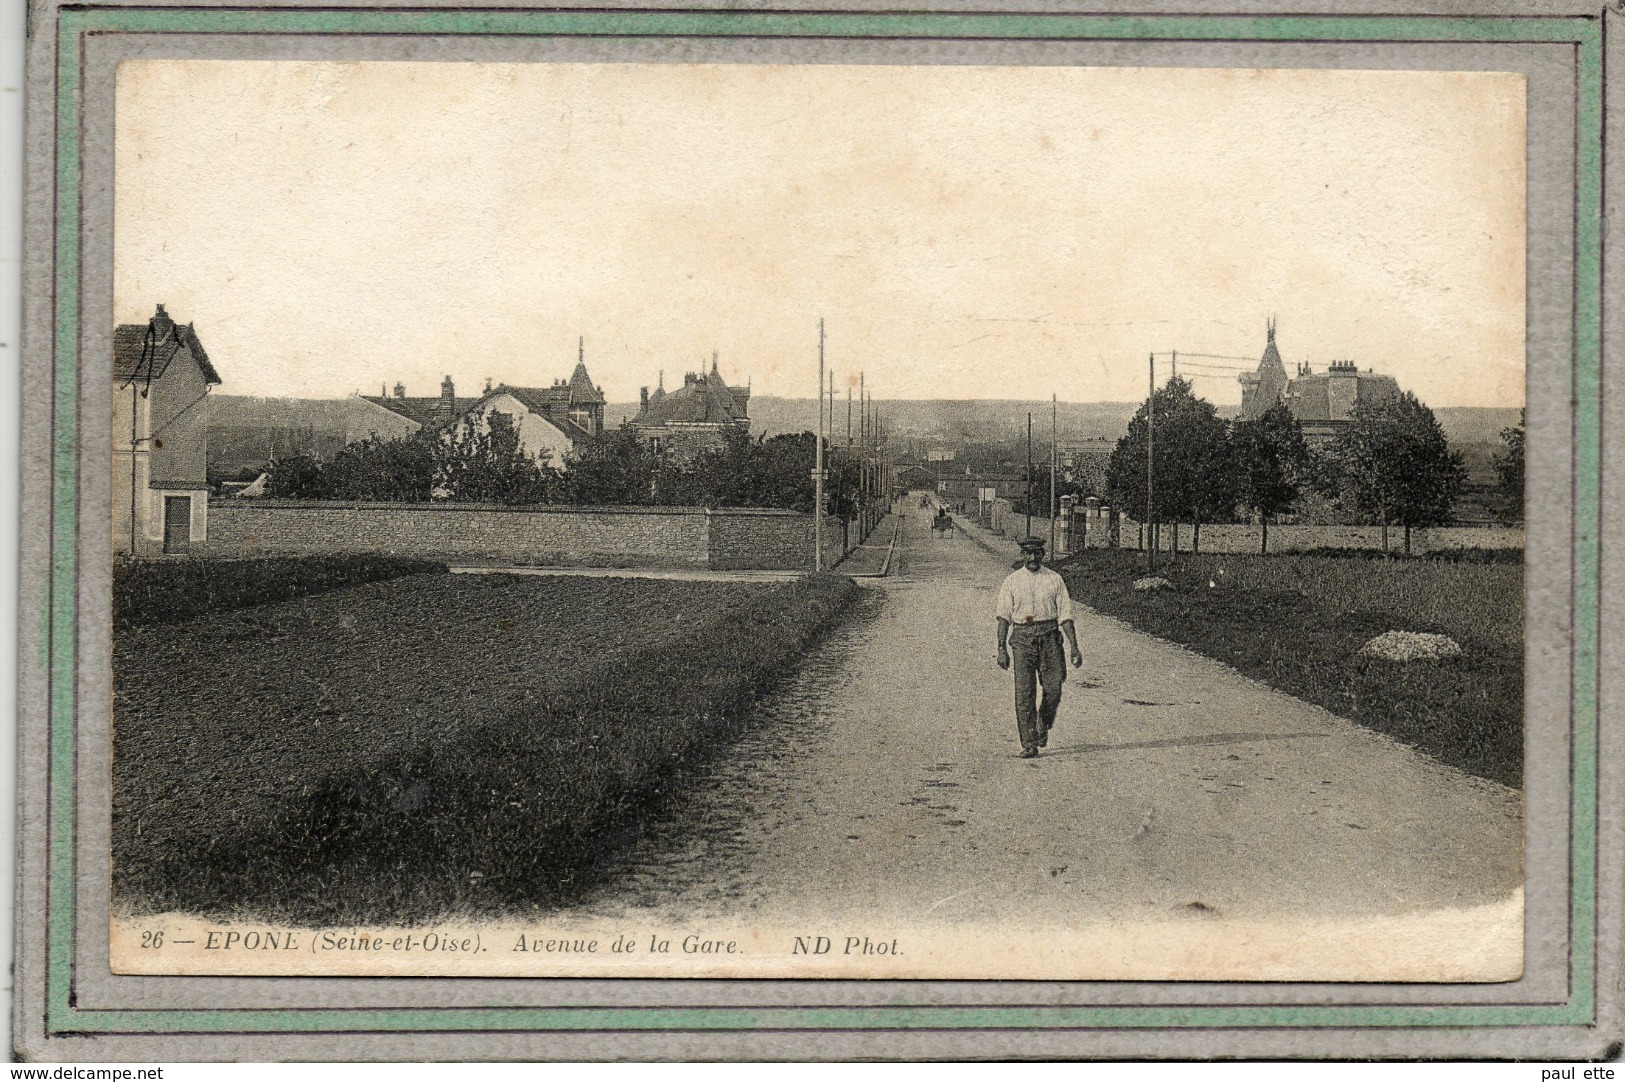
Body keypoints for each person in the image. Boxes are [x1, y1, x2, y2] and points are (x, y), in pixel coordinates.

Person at [995, 537, 1083, 758]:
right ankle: (1029, 742)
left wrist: (1074, 646)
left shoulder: (1054, 579)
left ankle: (1043, 722)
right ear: (1022, 555)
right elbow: (1003, 617)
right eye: (1028, 553)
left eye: (1037, 553)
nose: (1032, 558)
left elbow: (1065, 615)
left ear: (1043, 554)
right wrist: (1001, 649)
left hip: (1050, 638)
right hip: (1022, 639)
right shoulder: (1012, 581)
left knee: (1054, 688)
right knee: (1024, 693)